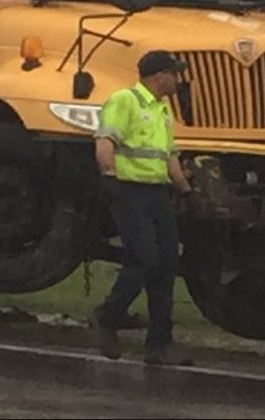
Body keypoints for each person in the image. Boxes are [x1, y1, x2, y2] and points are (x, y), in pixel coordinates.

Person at [91, 50, 194, 366]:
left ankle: (159, 345)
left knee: (166, 264)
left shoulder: (163, 110)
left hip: (157, 194)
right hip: (129, 191)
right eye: (173, 73)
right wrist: (108, 174)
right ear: (159, 75)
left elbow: (169, 156)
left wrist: (184, 189)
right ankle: (107, 316)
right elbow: (105, 141)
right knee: (144, 258)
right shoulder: (125, 101)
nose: (177, 80)